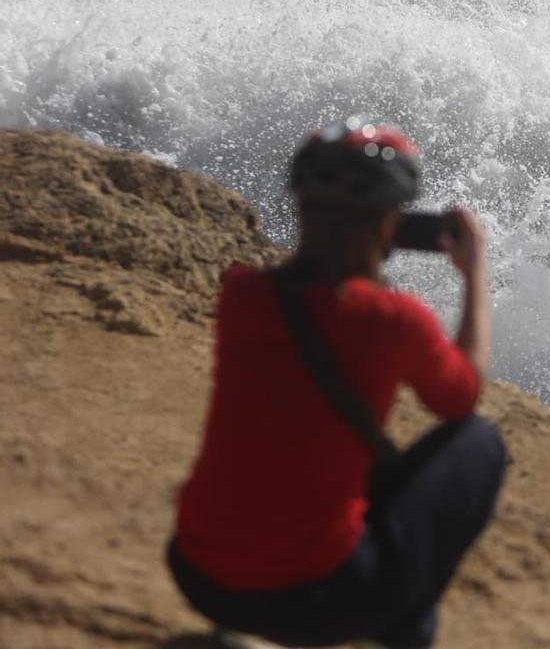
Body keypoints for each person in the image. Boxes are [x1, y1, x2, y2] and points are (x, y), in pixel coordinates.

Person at [166, 123, 506, 649]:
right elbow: (460, 397)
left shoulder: (243, 295)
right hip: (317, 603)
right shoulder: (393, 318)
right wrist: (476, 273)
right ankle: (406, 635)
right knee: (479, 442)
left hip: (200, 577)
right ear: (390, 219)